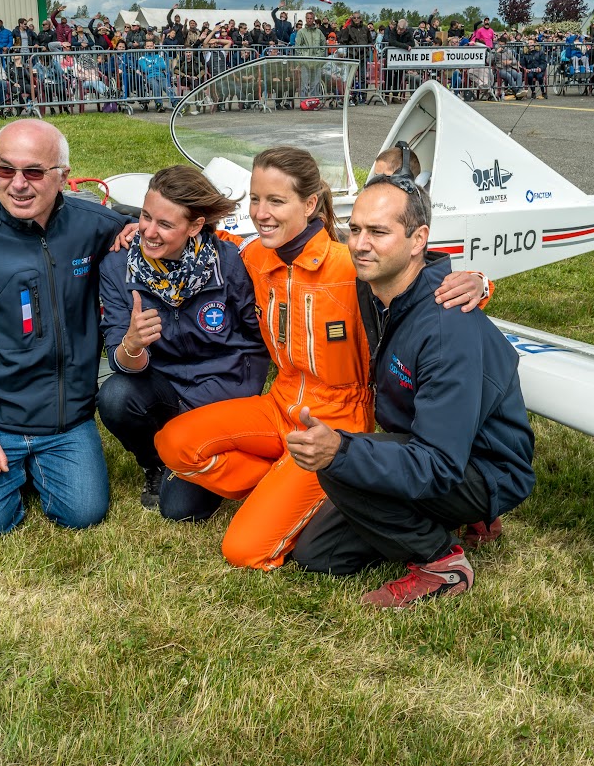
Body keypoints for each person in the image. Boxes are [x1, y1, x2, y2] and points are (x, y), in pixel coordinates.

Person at [154, 146, 489, 571]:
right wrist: (128, 230)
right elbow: (212, 241)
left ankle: (313, 488)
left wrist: (479, 282)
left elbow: (420, 280)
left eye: (276, 201)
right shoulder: (255, 257)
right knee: (173, 443)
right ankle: (282, 483)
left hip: (335, 423)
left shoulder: (353, 265)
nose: (261, 213)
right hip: (279, 406)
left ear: (310, 204)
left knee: (243, 550)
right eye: (255, 199)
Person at [288, 170, 535, 607]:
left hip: (481, 466)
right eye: (355, 229)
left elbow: (439, 463)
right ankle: (450, 519)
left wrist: (342, 452)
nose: (360, 244)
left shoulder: (444, 327)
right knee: (319, 556)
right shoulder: (376, 286)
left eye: (378, 232)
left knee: (339, 461)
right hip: (425, 443)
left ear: (418, 239)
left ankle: (441, 563)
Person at [0, 119, 134, 537]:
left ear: (63, 176)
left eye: (34, 172)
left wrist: (137, 228)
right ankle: (3, 463)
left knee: (84, 514)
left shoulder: (94, 226)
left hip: (67, 420)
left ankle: (39, 466)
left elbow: (161, 224)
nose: (18, 184)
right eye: (5, 169)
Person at [98, 166, 270, 519]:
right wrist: (132, 345)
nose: (149, 231)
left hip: (221, 396)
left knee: (181, 510)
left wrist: (212, 410)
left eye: (164, 224)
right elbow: (118, 356)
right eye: (146, 216)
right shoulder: (117, 267)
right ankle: (155, 462)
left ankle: (217, 450)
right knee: (115, 396)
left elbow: (257, 345)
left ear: (194, 226)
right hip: (163, 388)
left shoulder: (229, 262)